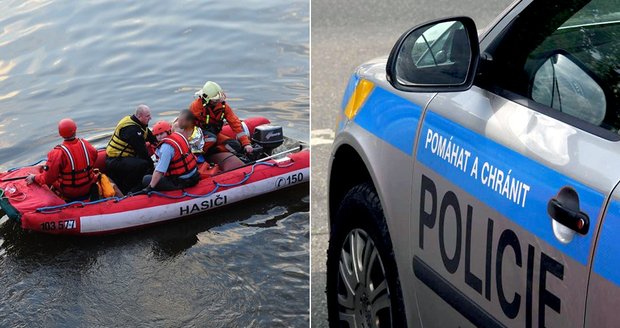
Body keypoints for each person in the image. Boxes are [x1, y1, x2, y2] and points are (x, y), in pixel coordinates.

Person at [26, 119, 99, 201]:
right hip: (88, 187)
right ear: (75, 130)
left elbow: (48, 178)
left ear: (60, 134)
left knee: (51, 179)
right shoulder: (86, 144)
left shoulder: (57, 153)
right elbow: (95, 156)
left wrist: (34, 178)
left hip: (69, 192)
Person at [189, 81, 253, 155]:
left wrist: (246, 143)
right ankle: (197, 155)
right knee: (211, 139)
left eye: (219, 99)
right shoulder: (196, 106)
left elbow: (235, 123)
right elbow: (188, 124)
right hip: (198, 135)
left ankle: (211, 153)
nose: (218, 102)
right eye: (215, 100)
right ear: (207, 99)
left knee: (235, 145)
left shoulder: (223, 107)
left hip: (214, 134)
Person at [106, 104, 158, 193]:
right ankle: (133, 190)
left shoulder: (139, 124)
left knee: (143, 163)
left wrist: (161, 144)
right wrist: (154, 169)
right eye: (147, 116)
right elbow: (143, 153)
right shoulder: (131, 130)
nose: (150, 118)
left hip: (122, 158)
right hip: (115, 160)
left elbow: (152, 138)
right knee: (144, 164)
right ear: (139, 116)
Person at [141, 121, 200, 192]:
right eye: (157, 135)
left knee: (146, 179)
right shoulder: (178, 135)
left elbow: (159, 171)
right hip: (193, 174)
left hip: (182, 181)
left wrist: (150, 187)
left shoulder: (166, 147)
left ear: (168, 131)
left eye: (162, 133)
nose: (159, 137)